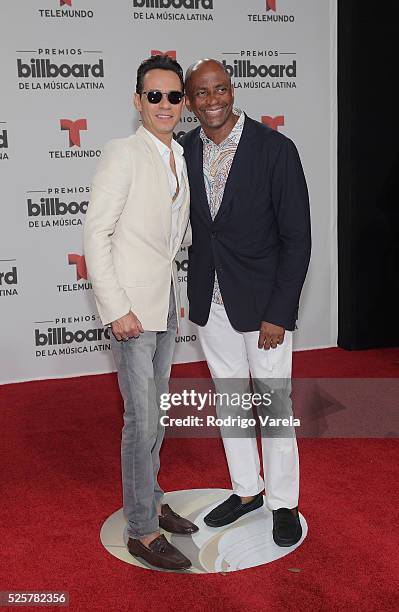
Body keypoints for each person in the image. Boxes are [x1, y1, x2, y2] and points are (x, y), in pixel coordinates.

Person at [180, 59, 311, 547]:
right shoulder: (183, 149)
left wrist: (279, 311)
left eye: (220, 89)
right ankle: (246, 490)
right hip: (210, 302)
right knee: (232, 401)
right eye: (201, 93)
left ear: (232, 91)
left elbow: (297, 239)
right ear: (190, 102)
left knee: (274, 404)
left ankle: (283, 502)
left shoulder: (275, 149)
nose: (212, 100)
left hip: (263, 308)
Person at [84, 55, 197, 571]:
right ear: (137, 101)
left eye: (174, 96)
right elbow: (96, 234)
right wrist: (116, 308)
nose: (166, 105)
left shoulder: (178, 157)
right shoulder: (122, 153)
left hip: (165, 307)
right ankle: (141, 529)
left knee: (158, 417)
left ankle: (150, 498)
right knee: (141, 420)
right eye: (155, 96)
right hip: (132, 313)